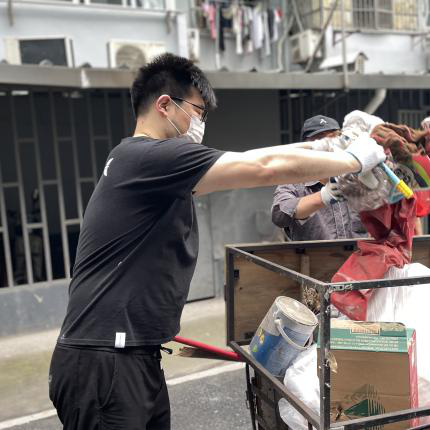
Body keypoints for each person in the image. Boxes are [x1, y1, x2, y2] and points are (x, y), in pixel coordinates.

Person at [48, 53, 386, 429]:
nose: (201, 123)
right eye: (198, 111)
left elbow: (254, 156)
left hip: (132, 356)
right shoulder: (148, 157)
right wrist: (354, 160)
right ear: (165, 105)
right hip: (105, 360)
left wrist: (334, 146)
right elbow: (261, 169)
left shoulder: (150, 165)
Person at [271, 115, 368, 241]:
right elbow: (279, 215)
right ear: (306, 148)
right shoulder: (293, 183)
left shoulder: (359, 178)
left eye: (334, 139)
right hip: (315, 259)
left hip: (361, 258)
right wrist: (324, 196)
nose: (329, 146)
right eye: (320, 140)